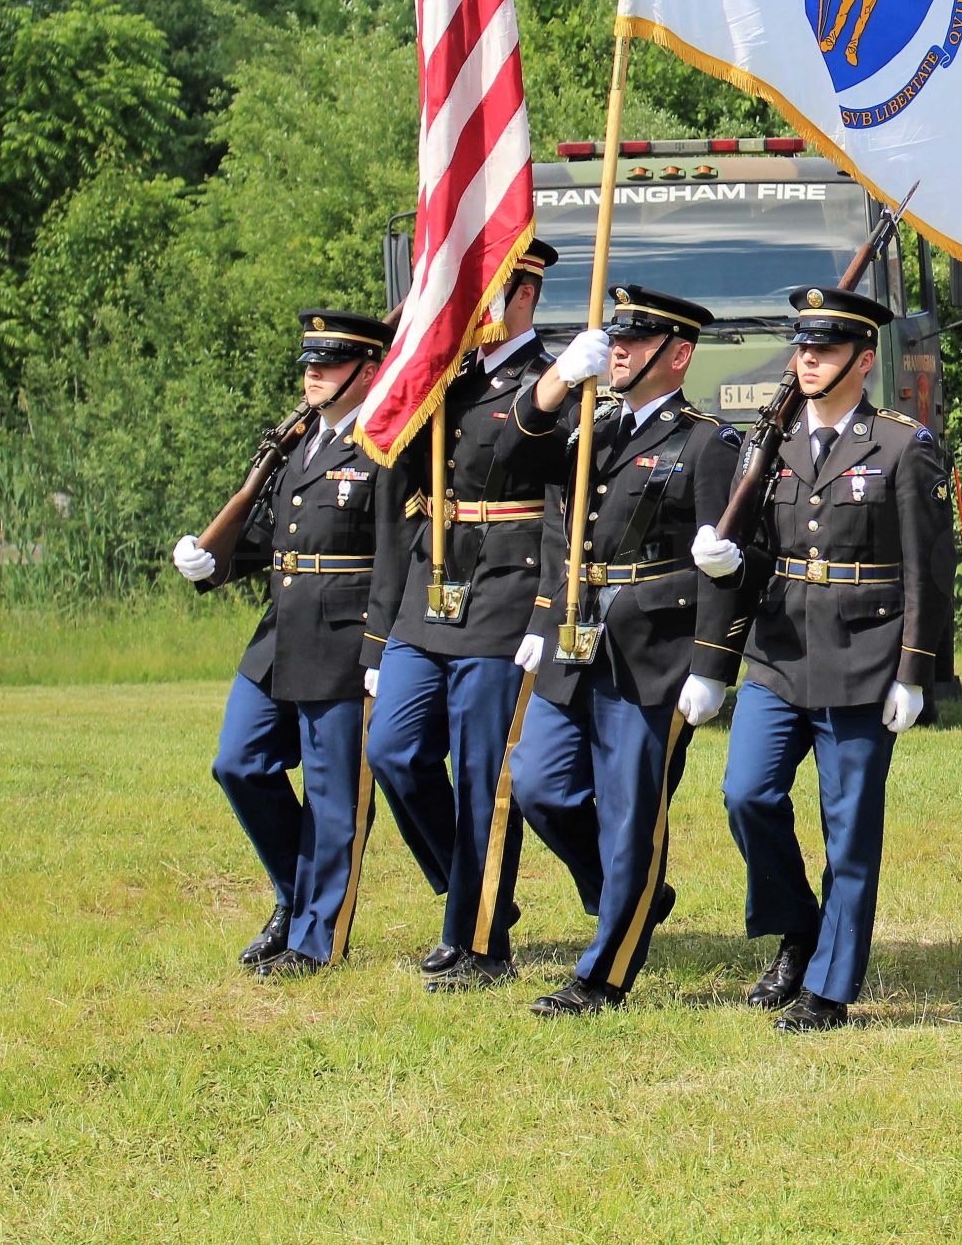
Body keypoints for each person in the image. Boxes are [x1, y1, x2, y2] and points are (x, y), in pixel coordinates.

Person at [495, 285, 748, 1017]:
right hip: (574, 640)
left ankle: (601, 975)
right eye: (616, 337)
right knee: (538, 783)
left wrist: (712, 664)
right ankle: (629, 890)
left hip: (654, 650)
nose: (619, 349)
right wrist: (554, 384)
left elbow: (728, 561)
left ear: (679, 353)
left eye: (636, 340)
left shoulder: (706, 444)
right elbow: (513, 462)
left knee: (632, 813)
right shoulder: (588, 428)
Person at [710, 285, 955, 1031]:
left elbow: (928, 568)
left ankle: (830, 986)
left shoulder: (899, 445)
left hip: (864, 654)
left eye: (823, 348)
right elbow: (760, 555)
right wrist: (727, 565)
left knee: (849, 828)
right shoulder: (770, 445)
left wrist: (914, 669)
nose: (806, 359)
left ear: (862, 357)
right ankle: (798, 927)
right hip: (779, 651)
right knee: (746, 794)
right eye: (801, 347)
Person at [172, 310, 405, 976]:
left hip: (344, 634)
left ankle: (314, 939)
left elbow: (396, 555)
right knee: (238, 762)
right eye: (308, 363)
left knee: (335, 796)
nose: (312, 374)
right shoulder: (293, 441)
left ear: (366, 371)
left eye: (327, 364)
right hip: (280, 632)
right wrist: (211, 560)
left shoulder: (384, 445)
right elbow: (269, 530)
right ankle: (293, 894)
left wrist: (380, 648)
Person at [364, 241, 559, 990]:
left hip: (505, 592)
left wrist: (545, 613)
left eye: (481, 295)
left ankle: (477, 939)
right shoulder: (445, 373)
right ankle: (474, 895)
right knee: (393, 748)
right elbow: (401, 481)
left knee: (483, 769)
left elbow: (553, 492)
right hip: (431, 587)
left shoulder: (553, 378)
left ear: (523, 296)